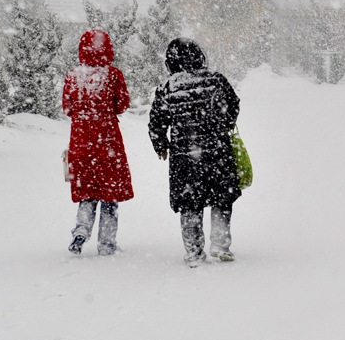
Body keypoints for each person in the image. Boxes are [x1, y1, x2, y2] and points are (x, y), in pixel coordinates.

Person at [149, 38, 240, 267]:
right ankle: (220, 245)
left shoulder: (168, 87)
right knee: (222, 197)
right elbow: (233, 104)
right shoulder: (215, 80)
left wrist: (161, 145)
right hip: (217, 151)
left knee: (189, 202)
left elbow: (156, 122)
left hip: (184, 156)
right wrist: (224, 124)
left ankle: (194, 252)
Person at [62, 29, 134, 256]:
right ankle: (106, 244)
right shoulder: (113, 75)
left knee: (88, 192)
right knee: (109, 195)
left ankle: (81, 230)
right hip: (108, 143)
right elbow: (122, 104)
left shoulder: (73, 76)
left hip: (81, 143)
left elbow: (68, 108)